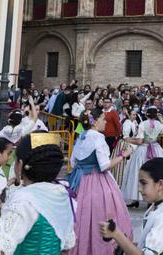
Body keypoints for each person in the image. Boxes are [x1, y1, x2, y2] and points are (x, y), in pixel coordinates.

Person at [67, 109, 133, 255]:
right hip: (98, 182)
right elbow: (104, 165)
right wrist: (123, 154)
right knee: (101, 213)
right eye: (103, 119)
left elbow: (73, 162)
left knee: (82, 216)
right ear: (94, 122)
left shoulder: (80, 137)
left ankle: (81, 248)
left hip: (80, 182)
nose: (105, 122)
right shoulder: (98, 137)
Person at [99, 157, 163, 255]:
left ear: (160, 185)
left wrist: (117, 234)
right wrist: (122, 243)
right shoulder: (158, 207)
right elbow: (146, 245)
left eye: (143, 183)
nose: (139, 189)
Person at [122, 108, 163, 207]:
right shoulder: (159, 124)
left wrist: (128, 140)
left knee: (138, 172)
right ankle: (151, 200)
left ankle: (136, 199)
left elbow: (140, 141)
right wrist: (161, 119)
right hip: (155, 148)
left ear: (146, 115)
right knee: (154, 173)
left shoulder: (142, 124)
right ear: (155, 115)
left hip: (143, 149)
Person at [111, 109, 139, 187]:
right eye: (133, 114)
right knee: (122, 164)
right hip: (125, 144)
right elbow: (126, 137)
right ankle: (120, 182)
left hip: (132, 144)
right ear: (129, 115)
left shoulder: (134, 122)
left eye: (135, 114)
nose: (135, 116)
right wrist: (135, 142)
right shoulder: (127, 123)